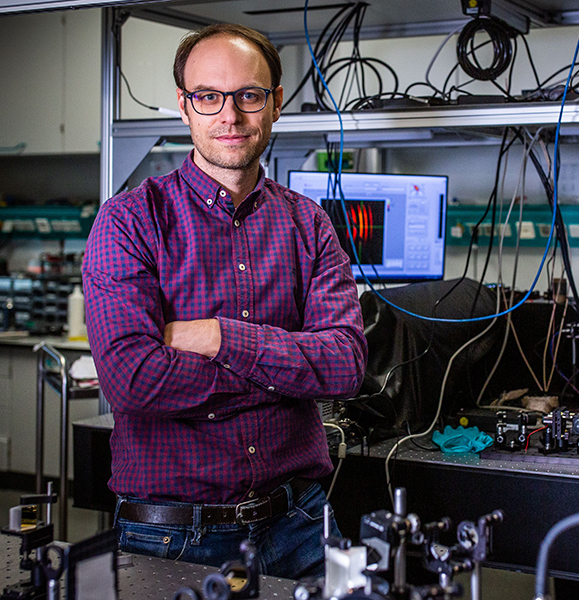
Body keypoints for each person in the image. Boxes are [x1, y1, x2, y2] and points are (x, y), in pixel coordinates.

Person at [82, 23, 367, 579]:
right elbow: (131, 380)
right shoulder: (130, 220)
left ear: (276, 104)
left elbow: (345, 365)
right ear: (185, 108)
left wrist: (216, 336)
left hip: (301, 523)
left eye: (248, 96)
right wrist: (284, 375)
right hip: (171, 535)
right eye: (208, 97)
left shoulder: (308, 224)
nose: (229, 116)